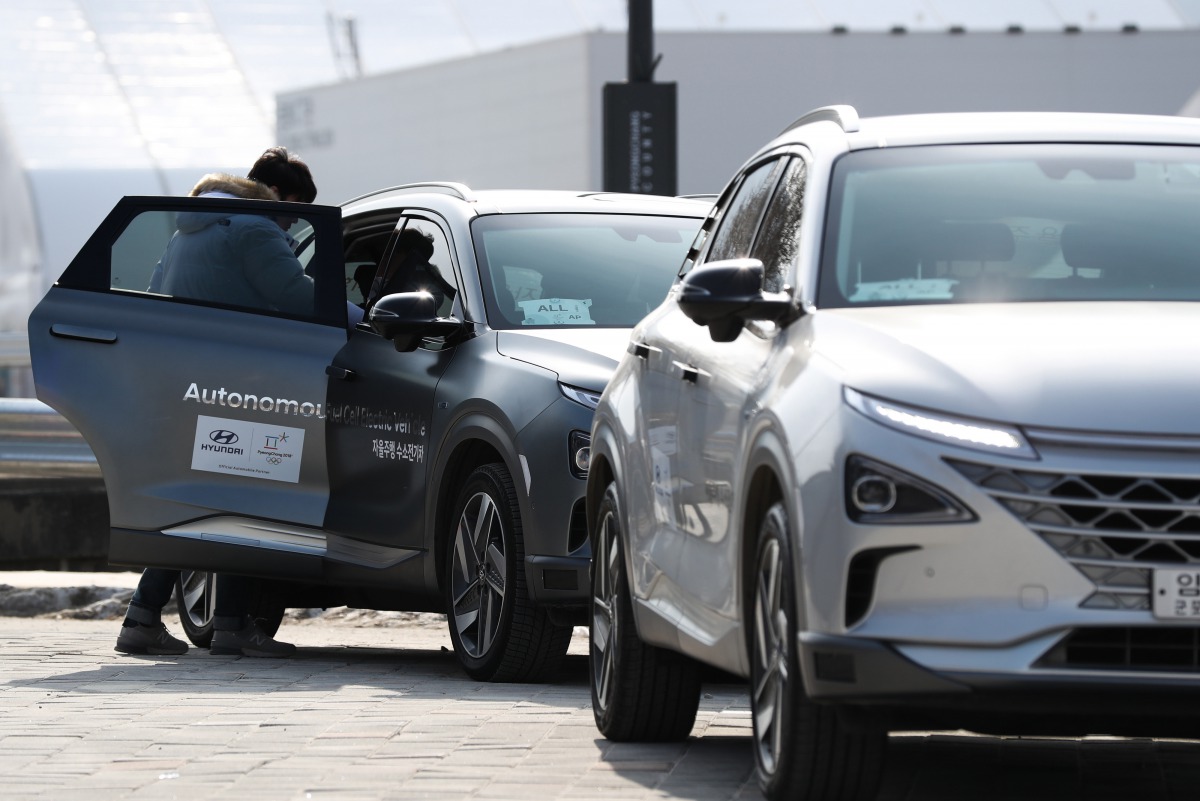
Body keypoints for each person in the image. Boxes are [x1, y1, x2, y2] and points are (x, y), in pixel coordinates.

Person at [117, 148, 320, 659]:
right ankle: (225, 625)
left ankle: (147, 618)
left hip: (188, 384)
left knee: (207, 501)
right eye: (296, 210)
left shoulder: (190, 230)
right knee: (238, 500)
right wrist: (359, 311)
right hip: (239, 385)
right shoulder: (255, 227)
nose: (295, 223)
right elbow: (297, 297)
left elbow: (154, 294)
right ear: (280, 195)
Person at [364, 227, 454, 312]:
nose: (384, 259)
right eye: (386, 254)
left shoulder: (425, 292)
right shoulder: (379, 283)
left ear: (411, 260)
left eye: (391, 254)